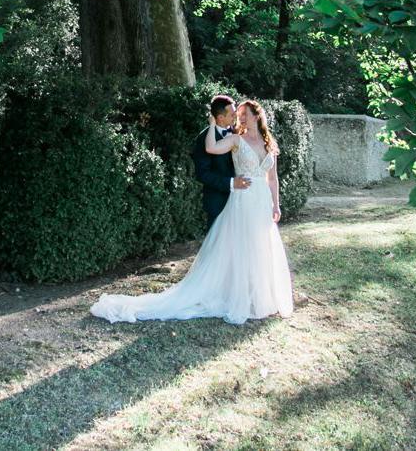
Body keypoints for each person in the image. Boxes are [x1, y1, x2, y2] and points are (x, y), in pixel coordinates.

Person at [89, 98, 294, 325]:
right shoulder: (235, 138)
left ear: (258, 116)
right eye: (238, 113)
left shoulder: (267, 142)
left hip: (261, 201)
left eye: (244, 114)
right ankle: (233, 294)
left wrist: (276, 204)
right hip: (240, 199)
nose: (239, 117)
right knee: (237, 247)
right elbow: (210, 150)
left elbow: (272, 179)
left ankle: (260, 295)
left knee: (260, 246)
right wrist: (210, 126)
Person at [192, 94, 251, 231]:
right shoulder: (203, 139)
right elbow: (202, 174)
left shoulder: (240, 132)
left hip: (242, 198)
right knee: (216, 245)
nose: (236, 117)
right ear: (220, 118)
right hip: (217, 202)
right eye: (232, 114)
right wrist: (231, 183)